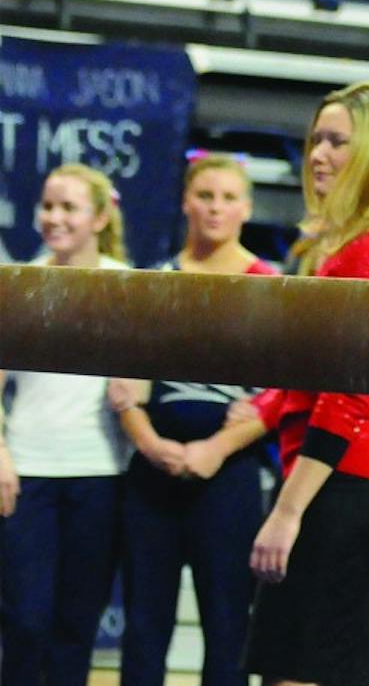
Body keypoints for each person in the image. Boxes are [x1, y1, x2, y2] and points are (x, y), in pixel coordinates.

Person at [239, 81, 369, 685]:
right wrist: (268, 407)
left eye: (336, 141)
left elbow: (349, 400)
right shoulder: (352, 249)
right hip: (342, 475)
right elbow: (314, 382)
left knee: (304, 671)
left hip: (342, 480)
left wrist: (287, 512)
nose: (317, 154)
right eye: (315, 140)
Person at [109, 152, 278, 686]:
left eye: (228, 198)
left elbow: (278, 397)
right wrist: (150, 444)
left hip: (228, 474)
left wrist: (218, 449)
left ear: (246, 208)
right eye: (205, 196)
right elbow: (126, 391)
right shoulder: (156, 279)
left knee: (227, 626)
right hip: (153, 471)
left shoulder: (267, 282)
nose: (215, 208)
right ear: (186, 201)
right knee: (144, 625)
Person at [0, 163, 133, 684]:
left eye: (69, 208)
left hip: (98, 471)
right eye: (48, 206)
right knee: (26, 619)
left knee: (75, 624)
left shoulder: (126, 286)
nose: (54, 218)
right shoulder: (21, 282)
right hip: (29, 469)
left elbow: (139, 383)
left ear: (100, 217)